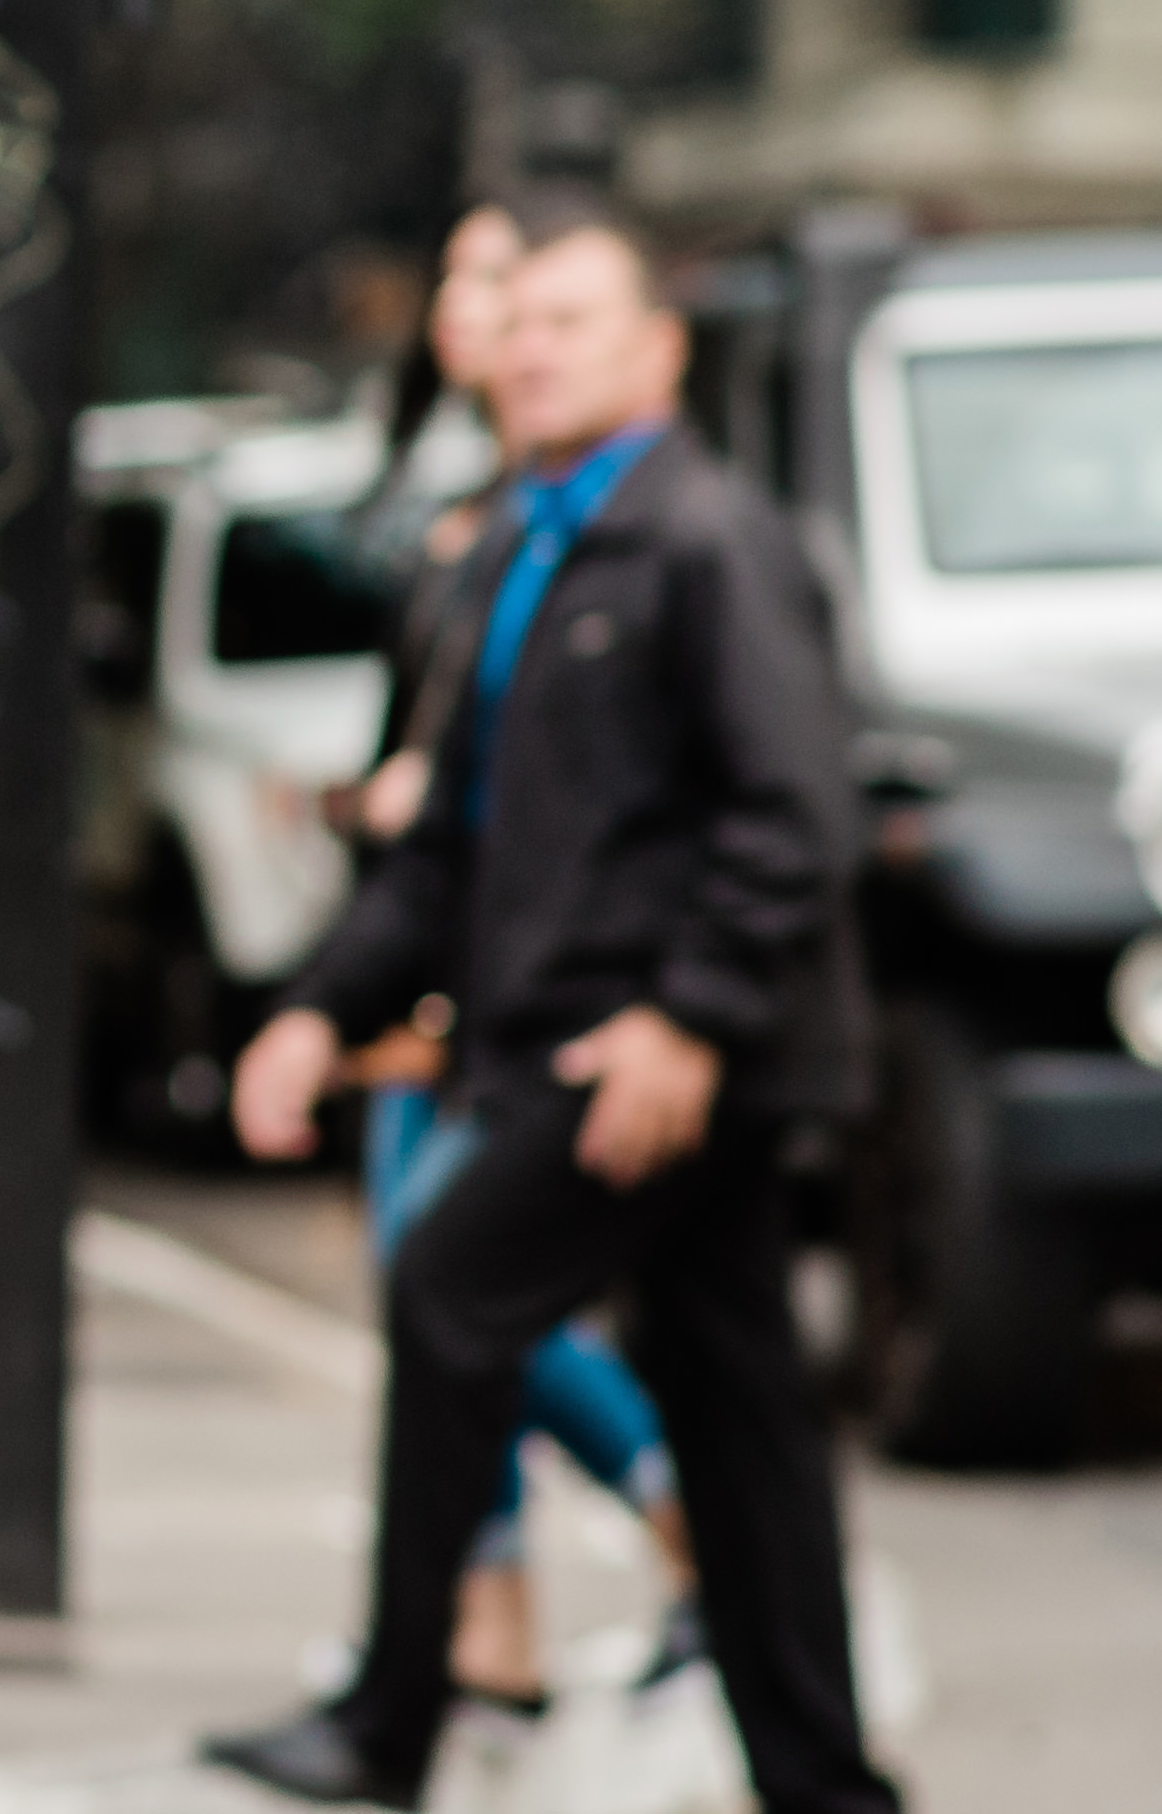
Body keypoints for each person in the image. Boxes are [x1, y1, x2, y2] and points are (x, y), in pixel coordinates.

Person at [204, 201, 896, 1814]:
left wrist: (691, 1019)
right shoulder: (522, 548)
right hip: (585, 1044)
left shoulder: (706, 540)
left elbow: (797, 814)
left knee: (450, 1287)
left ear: (659, 353)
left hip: (650, 1058)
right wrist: (320, 1011)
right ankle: (825, 1781)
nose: (532, 345)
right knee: (738, 1416)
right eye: (519, 320)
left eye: (573, 319)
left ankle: (393, 1721)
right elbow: (448, 843)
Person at [342, 203, 697, 1727]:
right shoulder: (475, 510)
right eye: (470, 280)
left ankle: (688, 1525)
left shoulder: (587, 520)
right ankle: (485, 1616)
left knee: (456, 1282)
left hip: (511, 992)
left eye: (525, 290)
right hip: (433, 960)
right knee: (430, 1288)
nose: (484, 313)